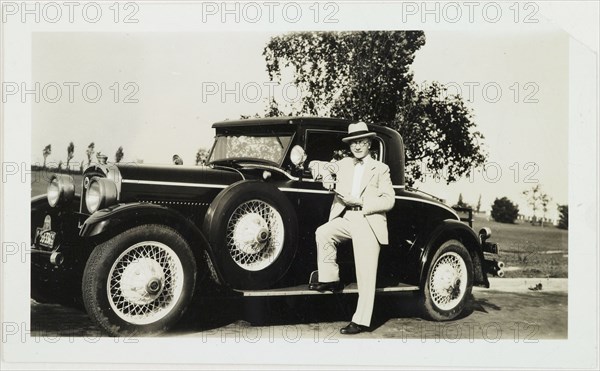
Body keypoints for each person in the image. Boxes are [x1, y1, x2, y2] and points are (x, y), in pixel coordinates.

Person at [308, 121, 395, 335]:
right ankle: (330, 278)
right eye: (353, 142)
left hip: (368, 220)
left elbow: (389, 200)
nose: (357, 146)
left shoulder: (381, 169)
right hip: (347, 218)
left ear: (369, 144)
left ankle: (361, 321)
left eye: (362, 142)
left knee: (366, 275)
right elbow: (316, 165)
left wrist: (362, 202)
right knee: (323, 232)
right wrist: (327, 178)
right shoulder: (344, 163)